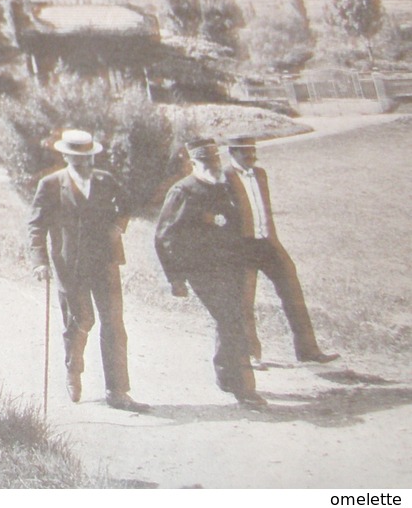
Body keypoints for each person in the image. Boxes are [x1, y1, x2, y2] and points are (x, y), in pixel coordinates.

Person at [27, 129, 147, 411]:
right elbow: (36, 225)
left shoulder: (105, 181)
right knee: (81, 319)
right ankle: (73, 369)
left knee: (114, 324)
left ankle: (117, 391)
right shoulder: (52, 184)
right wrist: (40, 261)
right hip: (70, 265)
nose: (83, 162)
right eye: (77, 157)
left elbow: (127, 204)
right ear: (66, 156)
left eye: (87, 157)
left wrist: (119, 226)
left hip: (105, 262)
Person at [154, 137, 265, 408]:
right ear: (193, 164)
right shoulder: (183, 191)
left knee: (230, 318)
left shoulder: (223, 187)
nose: (213, 166)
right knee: (232, 319)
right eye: (206, 162)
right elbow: (164, 237)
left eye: (215, 160)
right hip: (201, 270)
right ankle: (244, 388)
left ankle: (226, 376)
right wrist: (176, 278)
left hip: (231, 266)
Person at [224, 133, 339, 367]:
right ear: (232, 152)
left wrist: (270, 236)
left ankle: (308, 350)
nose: (251, 156)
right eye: (245, 151)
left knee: (292, 291)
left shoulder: (260, 174)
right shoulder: (223, 178)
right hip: (242, 247)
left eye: (253, 150)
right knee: (244, 300)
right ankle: (249, 354)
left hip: (268, 243)